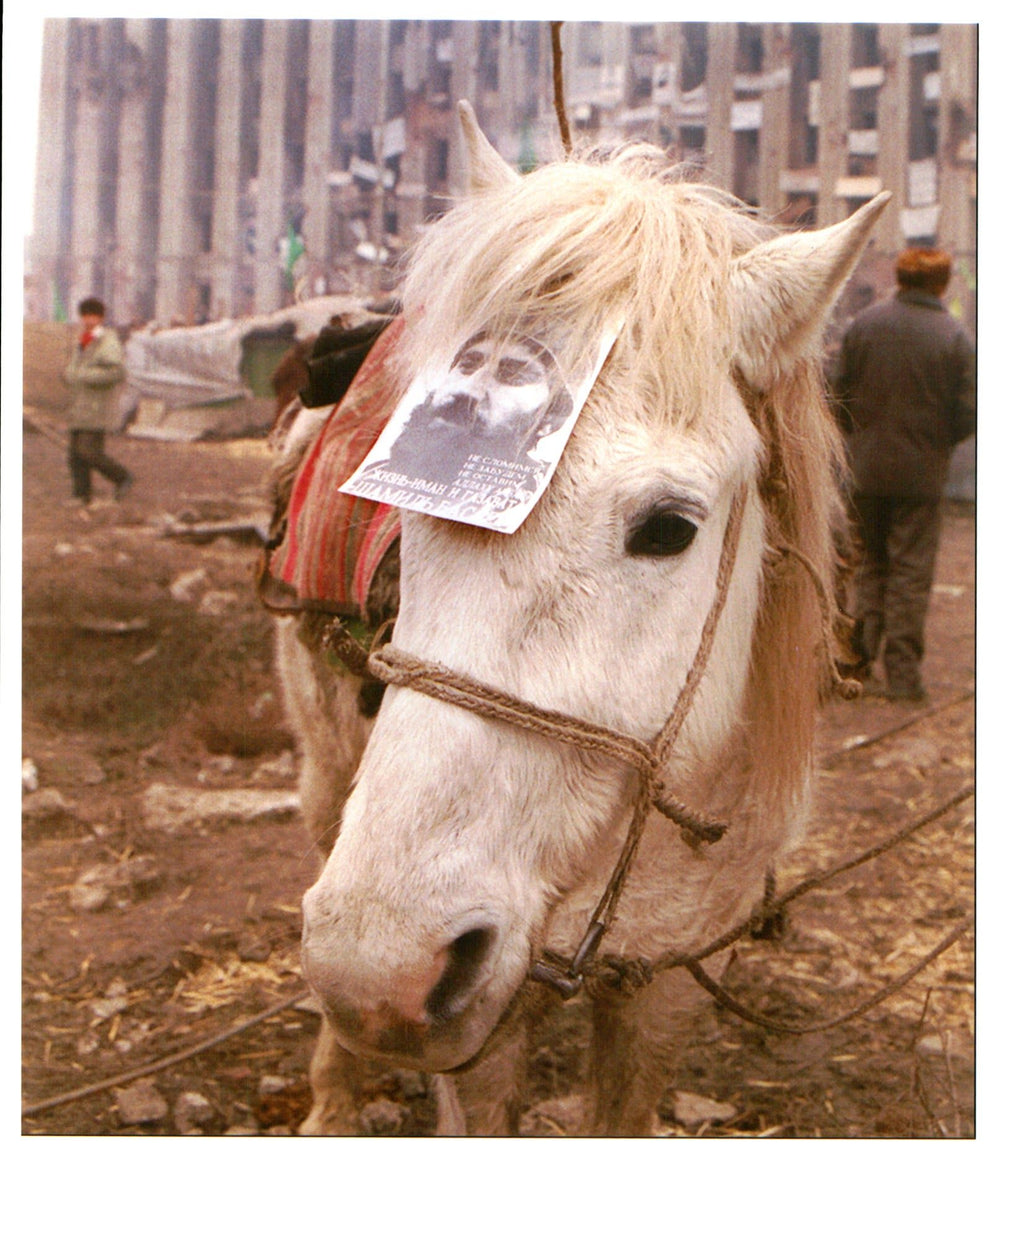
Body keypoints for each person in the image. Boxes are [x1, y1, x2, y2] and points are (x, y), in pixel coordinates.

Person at [830, 247, 975, 701]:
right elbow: (969, 410)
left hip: (864, 471)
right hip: (921, 476)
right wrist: (936, 442)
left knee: (869, 565)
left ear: (900, 278)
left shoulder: (864, 326)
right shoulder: (954, 336)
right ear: (942, 284)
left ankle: (857, 664)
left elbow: (837, 394)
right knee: (910, 572)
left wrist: (859, 439)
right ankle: (904, 678)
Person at [63, 297, 133, 505]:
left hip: (97, 406)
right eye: (85, 316)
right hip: (79, 404)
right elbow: (75, 368)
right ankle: (81, 495)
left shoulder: (107, 341)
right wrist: (68, 375)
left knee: (89, 451)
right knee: (75, 454)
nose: (88, 320)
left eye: (93, 316)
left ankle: (122, 477)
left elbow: (117, 372)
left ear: (101, 317)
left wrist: (84, 376)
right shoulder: (83, 340)